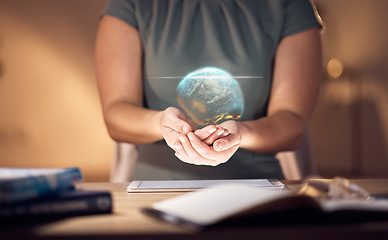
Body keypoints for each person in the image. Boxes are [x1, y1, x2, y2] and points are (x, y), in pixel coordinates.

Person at [95, 0, 322, 180]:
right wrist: (160, 123)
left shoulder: (289, 5)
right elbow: (116, 113)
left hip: (256, 192)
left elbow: (292, 122)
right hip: (154, 190)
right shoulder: (132, 4)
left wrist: (243, 134)